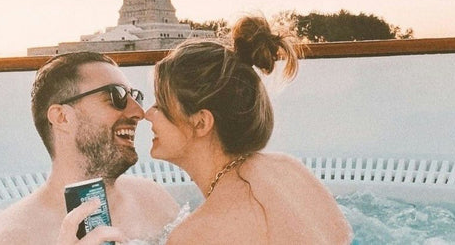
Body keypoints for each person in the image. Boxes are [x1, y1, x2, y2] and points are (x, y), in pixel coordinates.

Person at [144, 16, 353, 244]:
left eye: (160, 106)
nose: (148, 114)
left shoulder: (194, 236)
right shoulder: (289, 169)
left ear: (201, 122)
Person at [0, 52, 179, 244]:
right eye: (116, 96)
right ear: (62, 118)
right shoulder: (13, 236)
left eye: (136, 97)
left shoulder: (153, 200)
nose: (138, 112)